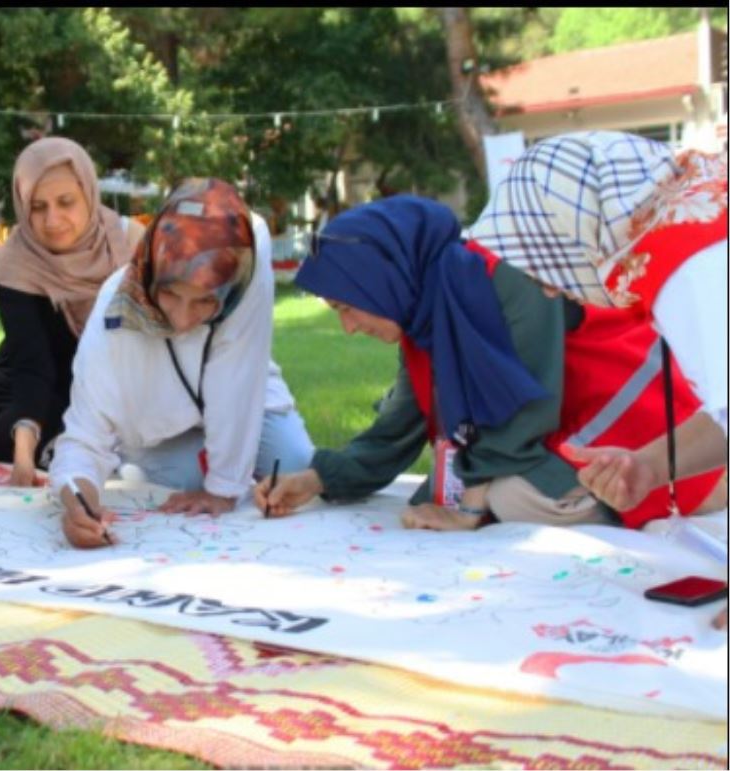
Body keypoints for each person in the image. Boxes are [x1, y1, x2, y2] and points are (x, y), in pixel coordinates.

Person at [254, 196, 724, 529]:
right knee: (460, 485)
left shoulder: (503, 273)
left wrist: (470, 508)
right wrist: (318, 479)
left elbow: (527, 408)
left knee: (509, 494)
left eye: (346, 307)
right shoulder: (422, 314)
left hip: (631, 426)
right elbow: (397, 429)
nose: (349, 327)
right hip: (555, 434)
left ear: (381, 283)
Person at [49, 177, 314, 548]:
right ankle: (139, 467)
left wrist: (223, 488)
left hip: (242, 389)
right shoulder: (113, 315)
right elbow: (83, 437)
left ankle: (203, 464)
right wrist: (79, 498)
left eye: (204, 301)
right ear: (149, 273)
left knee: (295, 466)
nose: (182, 318)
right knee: (188, 479)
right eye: (170, 294)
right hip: (159, 427)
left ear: (230, 291)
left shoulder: (245, 252)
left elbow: (236, 373)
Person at [468, 131, 728, 509]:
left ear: (578, 227)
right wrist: (649, 467)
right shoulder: (687, 239)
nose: (550, 290)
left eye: (545, 262)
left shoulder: (689, 269)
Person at [0, 137, 146, 486]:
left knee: (1, 440)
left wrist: (20, 446)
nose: (53, 220)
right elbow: (32, 363)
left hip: (96, 382)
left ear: (88, 194)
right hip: (25, 370)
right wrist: (25, 441)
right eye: (37, 206)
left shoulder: (130, 243)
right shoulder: (15, 260)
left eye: (66, 202)